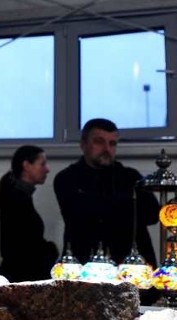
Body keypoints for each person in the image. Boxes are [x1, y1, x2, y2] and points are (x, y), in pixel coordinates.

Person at [53, 118, 161, 303]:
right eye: (99, 141)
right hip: (85, 274)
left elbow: (152, 214)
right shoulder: (67, 178)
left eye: (112, 143)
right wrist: (126, 206)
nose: (107, 148)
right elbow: (79, 213)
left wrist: (102, 205)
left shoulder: (131, 177)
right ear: (83, 144)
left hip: (132, 274)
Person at [0, 145, 59, 282]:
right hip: (21, 278)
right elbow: (22, 248)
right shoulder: (16, 200)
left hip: (21, 276)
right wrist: (50, 250)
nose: (47, 169)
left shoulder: (18, 196)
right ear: (27, 166)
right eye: (42, 164)